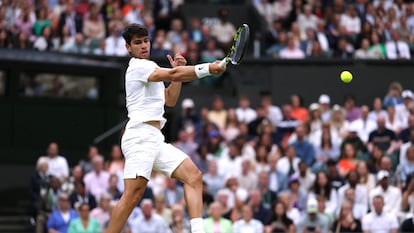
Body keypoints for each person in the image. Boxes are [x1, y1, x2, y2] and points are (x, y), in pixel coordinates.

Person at [106, 24, 226, 233]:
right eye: (137, 43)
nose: (143, 46)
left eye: (145, 41)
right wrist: (209, 68)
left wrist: (177, 74)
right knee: (132, 196)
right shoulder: (137, 66)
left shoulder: (150, 68)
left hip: (154, 138)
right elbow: (175, 74)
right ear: (128, 47)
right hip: (139, 137)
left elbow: (169, 100)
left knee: (194, 176)